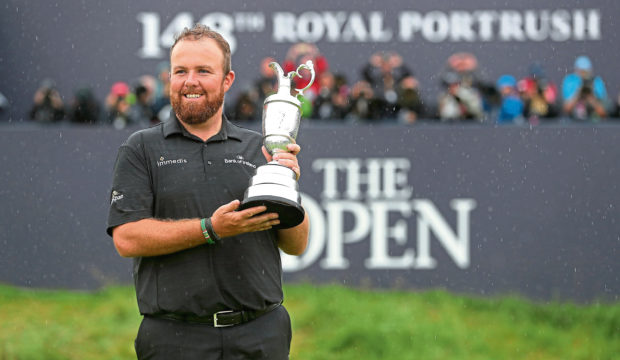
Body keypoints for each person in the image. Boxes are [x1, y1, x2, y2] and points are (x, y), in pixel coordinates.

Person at [107, 24, 309, 359]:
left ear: (227, 80)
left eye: (204, 70)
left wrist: (289, 186)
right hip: (173, 338)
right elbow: (127, 239)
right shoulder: (141, 148)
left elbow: (297, 244)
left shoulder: (260, 147)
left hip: (260, 334)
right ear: (168, 78)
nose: (190, 81)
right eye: (180, 71)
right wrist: (210, 229)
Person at [561, 55, 608, 121]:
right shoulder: (570, 81)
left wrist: (590, 98)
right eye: (581, 71)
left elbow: (604, 112)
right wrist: (578, 94)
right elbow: (566, 109)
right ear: (576, 70)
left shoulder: (596, 82)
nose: (583, 74)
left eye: (585, 71)